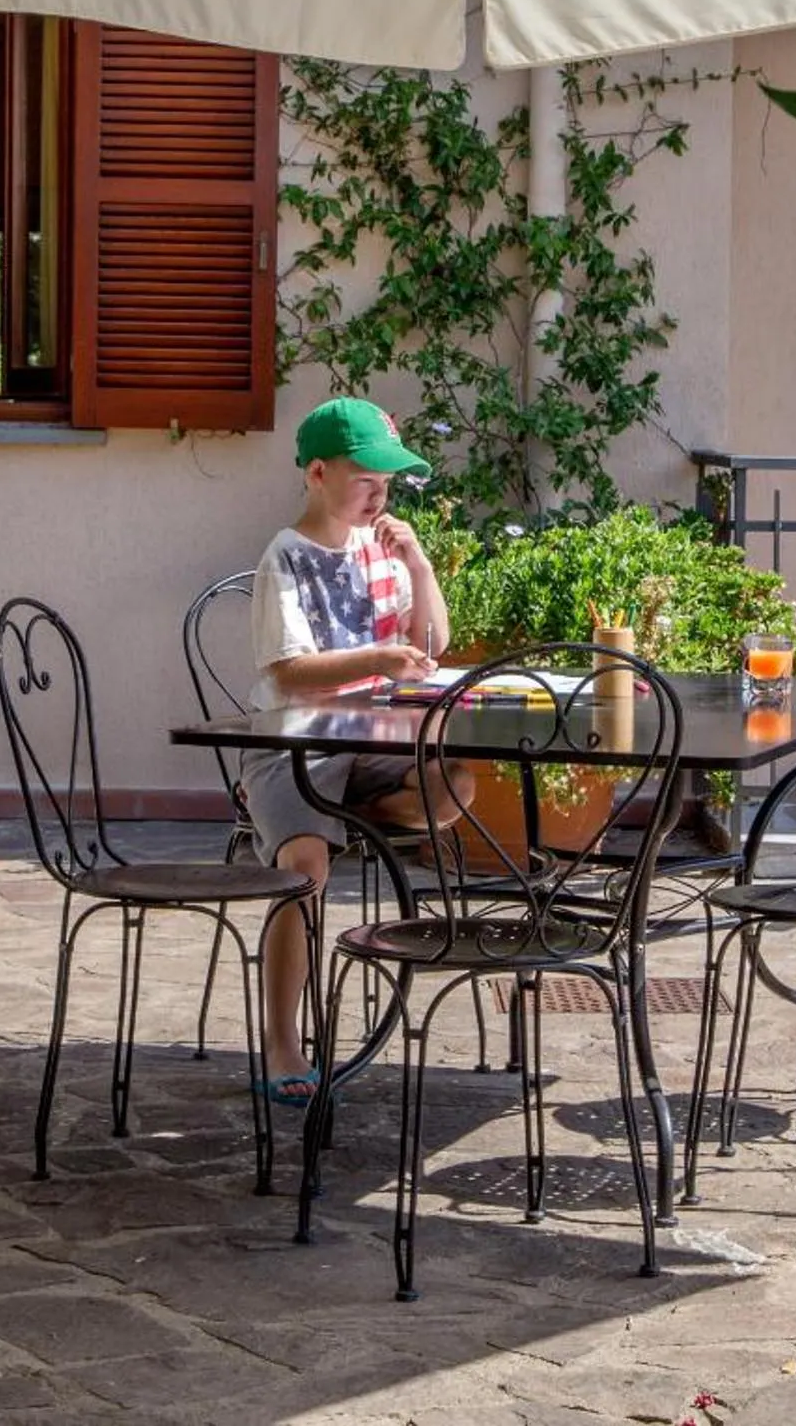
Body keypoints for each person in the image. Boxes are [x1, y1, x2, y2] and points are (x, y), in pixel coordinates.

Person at [243, 397, 470, 1105]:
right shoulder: (285, 557)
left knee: (456, 780)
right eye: (368, 479)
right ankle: (284, 1037)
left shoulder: (381, 552)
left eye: (389, 483)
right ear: (318, 472)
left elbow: (433, 646)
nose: (382, 494)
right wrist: (374, 655)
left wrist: (421, 567)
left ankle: (351, 816)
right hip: (295, 744)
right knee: (303, 871)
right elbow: (286, 672)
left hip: (371, 742)